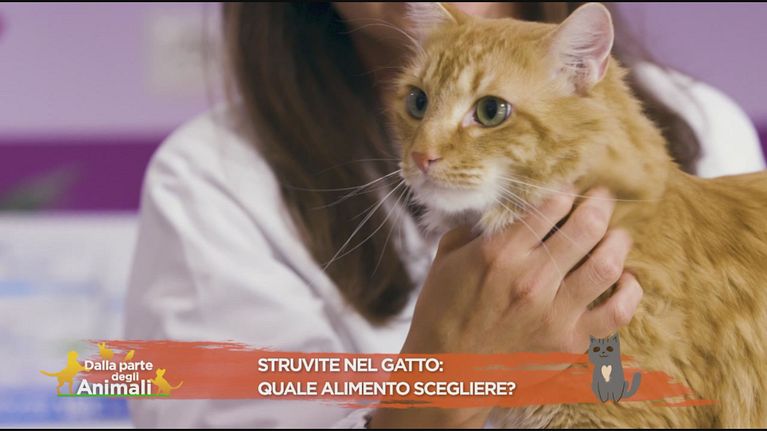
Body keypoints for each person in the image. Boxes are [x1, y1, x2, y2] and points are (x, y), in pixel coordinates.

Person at [123, 3, 765, 428]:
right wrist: (435, 387)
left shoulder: (704, 122)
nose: (427, 150)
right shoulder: (210, 176)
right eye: (418, 104)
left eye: (489, 112)